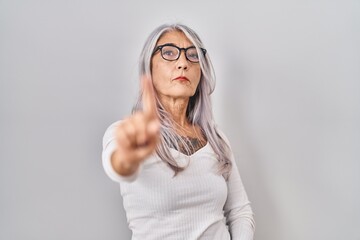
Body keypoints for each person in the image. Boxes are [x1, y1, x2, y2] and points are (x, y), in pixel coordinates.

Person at [102, 23, 255, 240]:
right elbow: (118, 165)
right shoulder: (127, 133)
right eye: (169, 53)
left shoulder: (216, 138)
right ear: (149, 67)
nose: (183, 63)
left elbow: (239, 211)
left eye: (192, 55)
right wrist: (128, 155)